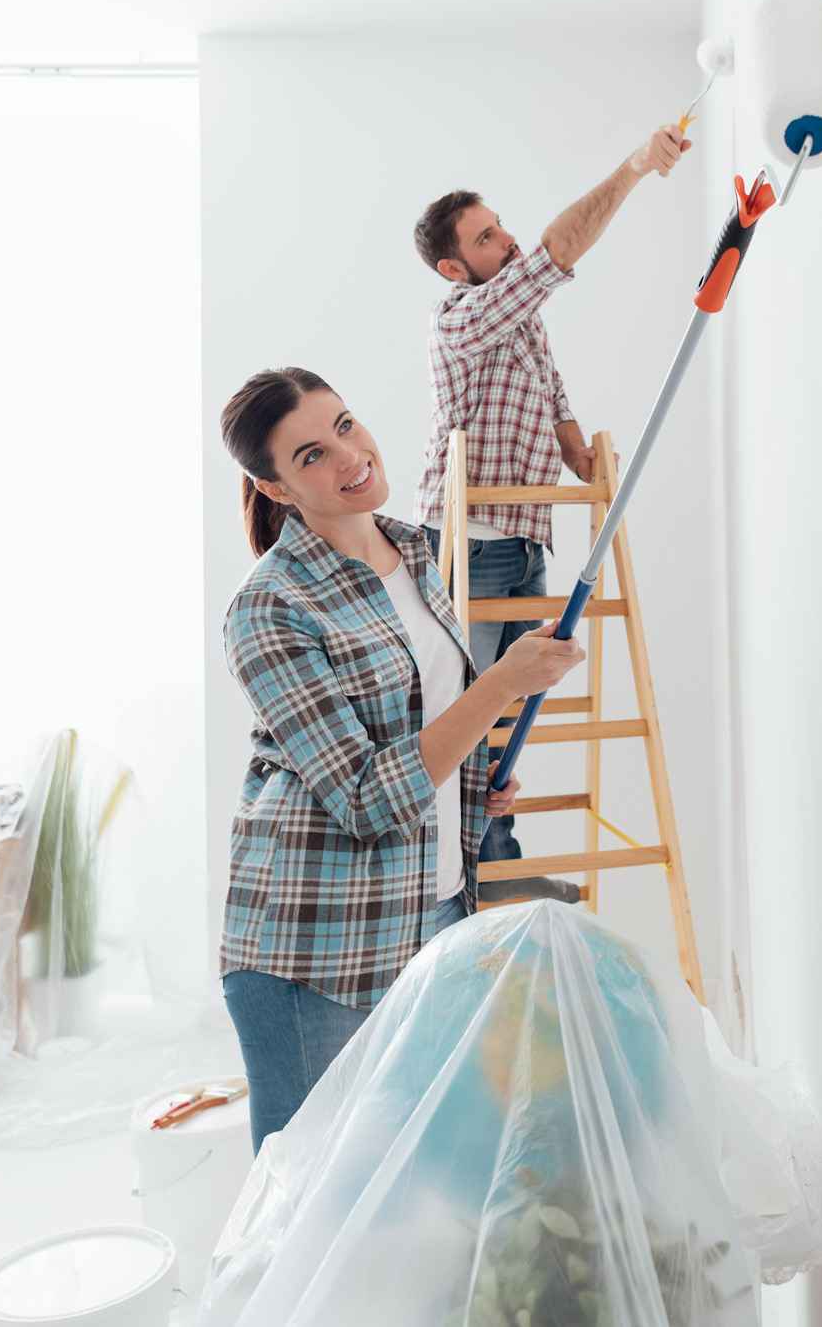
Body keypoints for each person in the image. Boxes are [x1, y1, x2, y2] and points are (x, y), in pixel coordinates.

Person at [216, 366, 585, 1151]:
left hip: (439, 912)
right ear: (275, 488)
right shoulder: (268, 608)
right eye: (311, 455)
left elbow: (422, 722)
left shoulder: (414, 551)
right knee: (306, 1215)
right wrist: (500, 687)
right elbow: (363, 795)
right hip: (319, 953)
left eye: (345, 426)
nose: (349, 457)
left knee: (424, 1194)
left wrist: (476, 785)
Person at [410, 122, 691, 900]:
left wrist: (584, 457)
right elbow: (556, 253)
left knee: (503, 719)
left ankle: (496, 861)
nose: (504, 242)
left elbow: (556, 399)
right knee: (472, 711)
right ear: (453, 265)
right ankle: (469, 877)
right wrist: (634, 167)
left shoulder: (520, 322)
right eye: (486, 236)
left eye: (499, 228)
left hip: (525, 536)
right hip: (470, 540)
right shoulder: (462, 317)